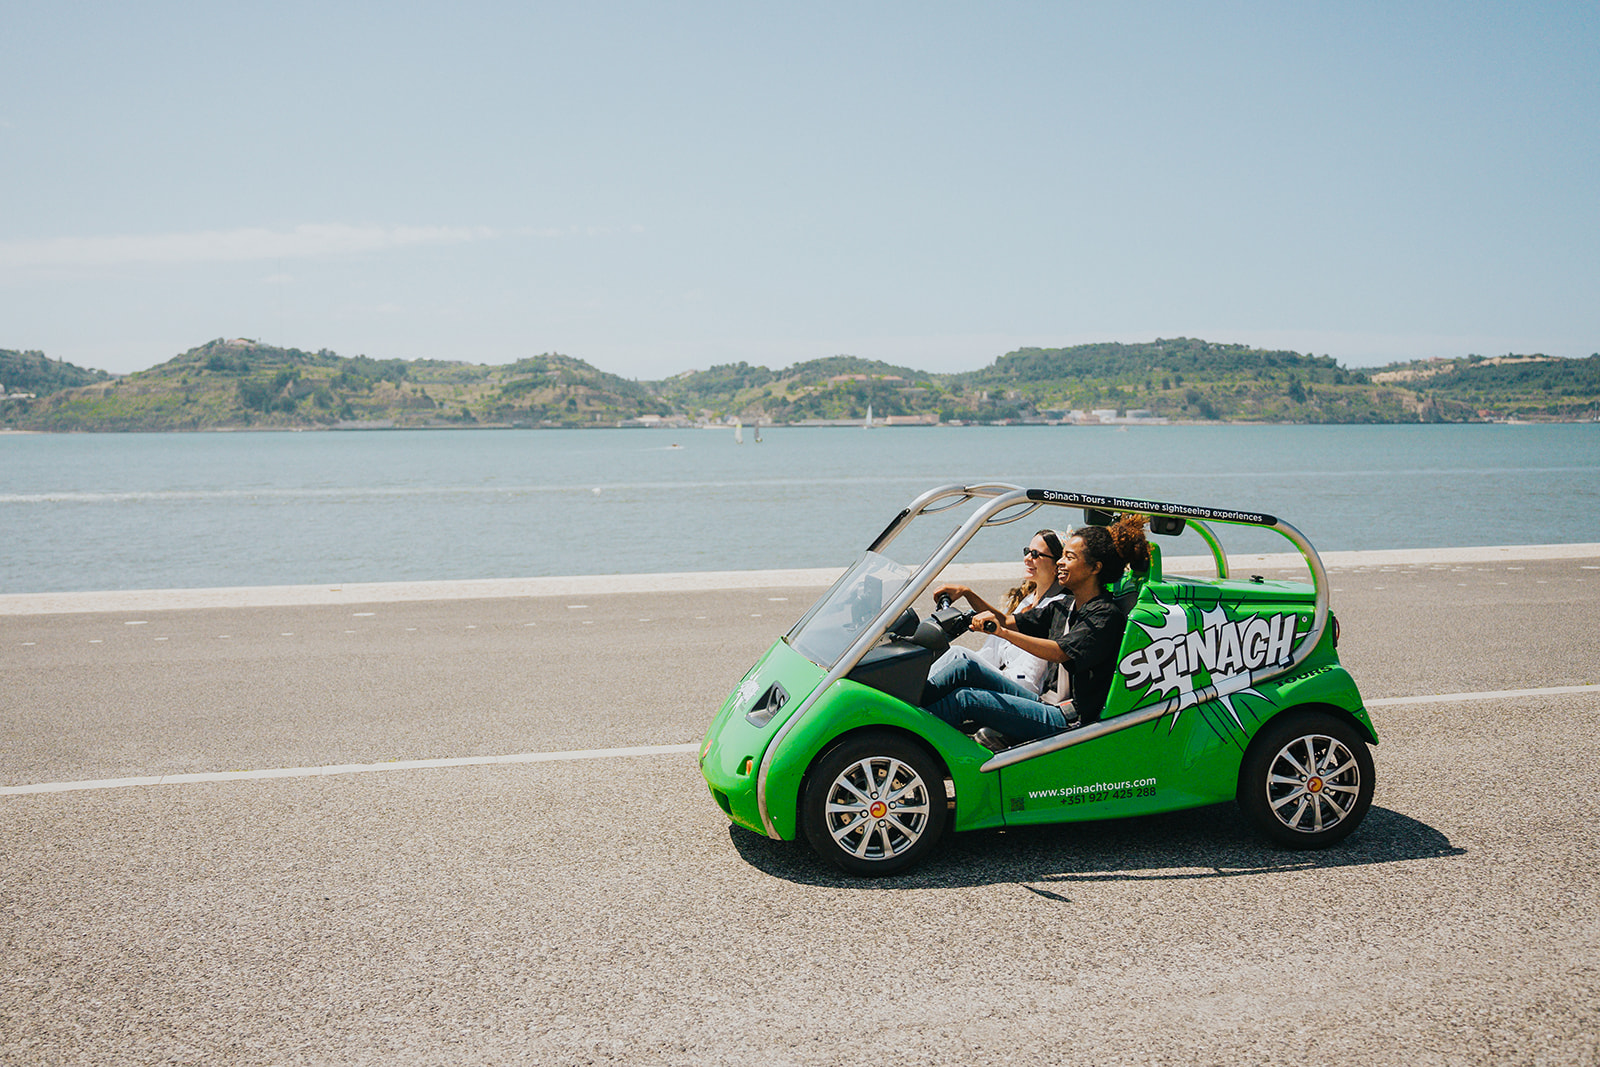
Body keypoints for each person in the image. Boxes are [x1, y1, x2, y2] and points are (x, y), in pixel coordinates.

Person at [922, 514, 1152, 750]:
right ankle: (906, 711)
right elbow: (1007, 621)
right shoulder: (1065, 606)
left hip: (1068, 719)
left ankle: (911, 739)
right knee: (963, 663)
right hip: (1046, 702)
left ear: (1095, 567)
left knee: (966, 699)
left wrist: (1001, 633)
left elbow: (1059, 652)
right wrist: (967, 593)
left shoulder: (1104, 616)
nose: (1060, 562)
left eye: (1069, 557)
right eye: (1062, 556)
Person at [925, 529, 1069, 697]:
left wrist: (967, 593)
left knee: (958, 655)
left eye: (1036, 554)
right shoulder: (1024, 601)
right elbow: (989, 654)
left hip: (1023, 687)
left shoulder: (1057, 607)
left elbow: (1028, 678)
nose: (1027, 558)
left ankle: (913, 700)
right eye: (1027, 551)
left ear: (1056, 565)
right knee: (947, 659)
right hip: (1003, 677)